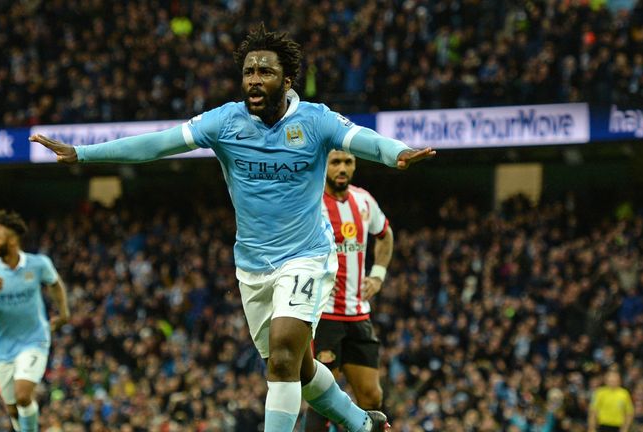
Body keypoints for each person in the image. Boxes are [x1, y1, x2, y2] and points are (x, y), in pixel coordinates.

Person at [30, 24, 434, 432]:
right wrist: (82, 154)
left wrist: (395, 153)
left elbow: (359, 137)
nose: (254, 80)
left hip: (307, 258)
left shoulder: (315, 120)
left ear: (287, 80)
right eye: (248, 72)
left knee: (281, 360)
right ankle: (361, 425)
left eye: (265, 73)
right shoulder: (226, 121)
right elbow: (157, 143)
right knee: (301, 370)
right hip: (253, 267)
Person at [304, 150, 393, 431]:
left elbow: (385, 235)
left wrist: (377, 276)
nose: (342, 168)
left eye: (348, 163)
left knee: (372, 396)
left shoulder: (364, 200)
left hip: (358, 314)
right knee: (322, 397)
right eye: (335, 162)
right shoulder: (310, 200)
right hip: (325, 314)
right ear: (324, 165)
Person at [0, 210, 70, 432]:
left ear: (12, 240)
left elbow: (54, 283)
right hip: (4, 346)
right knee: (13, 409)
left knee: (23, 395)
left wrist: (64, 314)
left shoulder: (38, 264)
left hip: (34, 339)